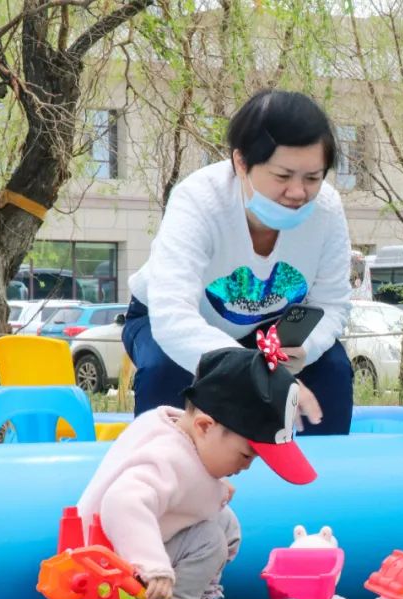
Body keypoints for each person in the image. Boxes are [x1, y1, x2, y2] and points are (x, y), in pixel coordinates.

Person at [124, 89, 354, 434]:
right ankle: (163, 477)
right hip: (175, 323)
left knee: (332, 370)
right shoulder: (199, 200)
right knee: (164, 371)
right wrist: (254, 370)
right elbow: (173, 316)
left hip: (269, 332)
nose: (298, 192)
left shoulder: (327, 211)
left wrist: (303, 347)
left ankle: (319, 480)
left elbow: (332, 304)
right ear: (241, 162)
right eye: (282, 176)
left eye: (313, 178)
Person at [77, 343, 318, 599]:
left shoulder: (187, 432)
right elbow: (122, 502)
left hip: (139, 540)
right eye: (245, 455)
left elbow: (186, 481)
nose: (246, 466)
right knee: (209, 540)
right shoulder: (167, 455)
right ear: (205, 426)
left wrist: (213, 488)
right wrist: (154, 567)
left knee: (227, 526)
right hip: (108, 558)